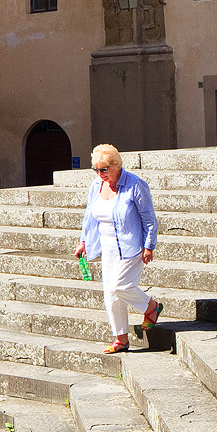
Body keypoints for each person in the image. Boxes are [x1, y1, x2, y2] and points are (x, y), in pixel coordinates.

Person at [73, 144, 160, 354]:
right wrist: (83, 241)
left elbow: (149, 219)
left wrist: (149, 246)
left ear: (116, 166)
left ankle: (151, 307)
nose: (100, 174)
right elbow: (89, 216)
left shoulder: (135, 185)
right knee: (110, 294)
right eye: (96, 169)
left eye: (104, 169)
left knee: (119, 287)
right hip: (106, 245)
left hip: (131, 245)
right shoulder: (96, 185)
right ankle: (121, 339)